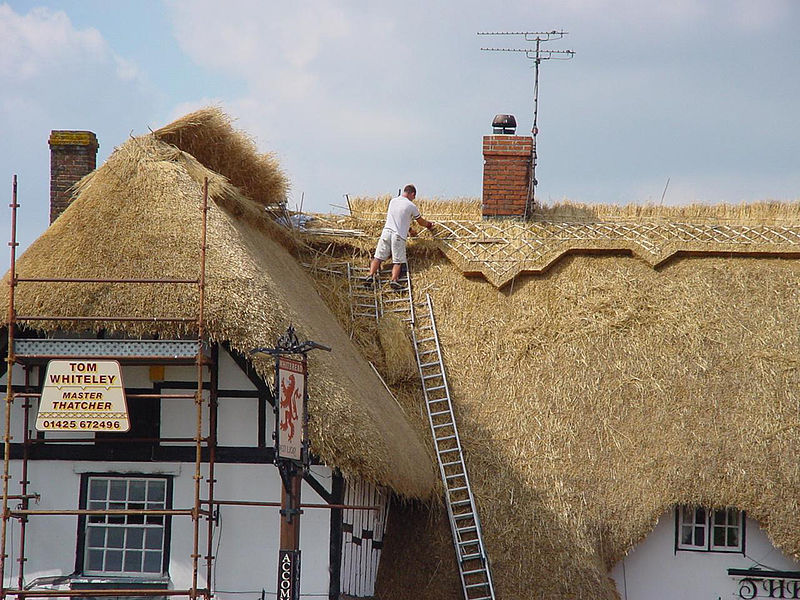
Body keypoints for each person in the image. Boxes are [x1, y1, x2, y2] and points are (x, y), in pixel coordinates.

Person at [365, 184, 434, 290]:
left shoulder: (393, 201)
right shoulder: (411, 206)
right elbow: (420, 222)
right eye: (414, 197)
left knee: (378, 257)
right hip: (398, 236)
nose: (414, 199)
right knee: (398, 261)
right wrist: (429, 225)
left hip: (386, 232)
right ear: (412, 194)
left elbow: (399, 219)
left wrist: (410, 230)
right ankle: (394, 280)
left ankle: (370, 275)